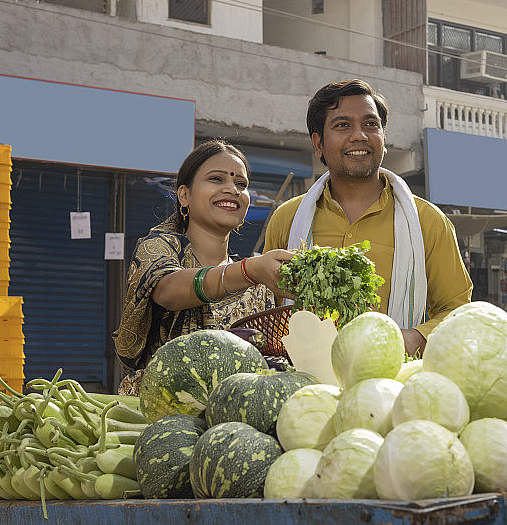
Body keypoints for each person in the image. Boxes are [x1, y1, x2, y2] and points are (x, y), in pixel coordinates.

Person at [264, 79, 473, 356]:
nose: (359, 135)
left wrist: (416, 337)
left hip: (392, 384)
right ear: (318, 144)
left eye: (371, 124)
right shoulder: (288, 219)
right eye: (342, 125)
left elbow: (458, 310)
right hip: (305, 382)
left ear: (383, 140)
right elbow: (268, 306)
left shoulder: (427, 221)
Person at [114, 139, 294, 395]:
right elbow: (168, 291)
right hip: (157, 415)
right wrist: (249, 270)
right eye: (217, 179)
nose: (232, 189)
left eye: (240, 184)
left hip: (232, 421)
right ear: (184, 195)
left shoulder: (259, 284)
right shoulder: (159, 248)